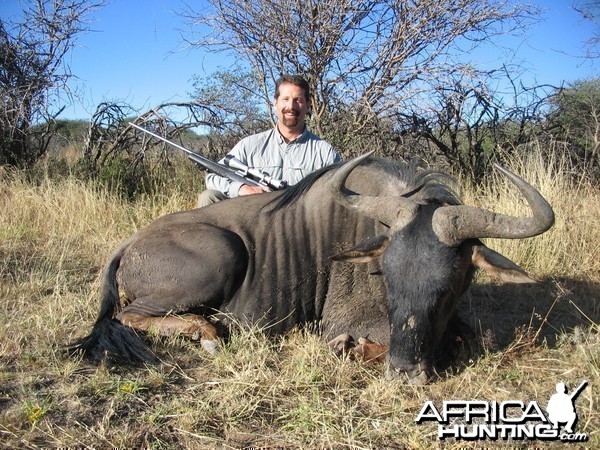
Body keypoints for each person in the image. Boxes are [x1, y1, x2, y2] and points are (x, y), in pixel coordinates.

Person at [198, 75, 340, 207]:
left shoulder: (325, 152)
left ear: (308, 105)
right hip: (255, 219)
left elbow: (335, 197)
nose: (291, 106)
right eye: (285, 99)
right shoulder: (250, 145)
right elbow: (213, 177)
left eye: (298, 100)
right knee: (209, 197)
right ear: (275, 103)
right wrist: (241, 188)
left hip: (300, 223)